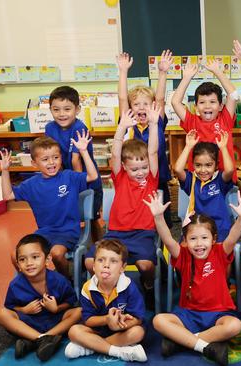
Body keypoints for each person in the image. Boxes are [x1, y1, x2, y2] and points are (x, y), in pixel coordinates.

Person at [143, 188, 241, 365]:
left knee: (235, 326)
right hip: (188, 314)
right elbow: (168, 240)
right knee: (159, 320)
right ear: (185, 241)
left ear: (213, 239)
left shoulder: (220, 251)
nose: (199, 244)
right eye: (193, 239)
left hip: (218, 314)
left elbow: (233, 237)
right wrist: (158, 217)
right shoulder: (183, 255)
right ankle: (204, 346)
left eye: (204, 238)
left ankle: (183, 342)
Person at [84, 104, 161, 308]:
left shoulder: (151, 179)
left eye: (143, 167)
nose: (140, 172)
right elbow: (116, 154)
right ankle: (112, 290)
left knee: (146, 266)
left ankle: (148, 287)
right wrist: (122, 128)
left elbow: (152, 152)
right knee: (90, 262)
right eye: (135, 168)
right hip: (116, 235)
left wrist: (153, 124)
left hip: (143, 235)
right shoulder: (120, 178)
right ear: (125, 168)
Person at [0, 134, 98, 276]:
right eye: (45, 159)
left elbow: (92, 176)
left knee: (56, 254)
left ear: (61, 158)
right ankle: (34, 284)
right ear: (34, 163)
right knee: (15, 255)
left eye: (55, 157)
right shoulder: (31, 184)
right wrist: (5, 171)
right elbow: (7, 196)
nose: (51, 162)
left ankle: (66, 280)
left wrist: (83, 151)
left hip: (68, 232)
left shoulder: (69, 177)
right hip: (44, 233)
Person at [0, 234, 81, 361]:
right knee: (1, 314)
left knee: (79, 312)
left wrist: (56, 308)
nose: (29, 263)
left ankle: (33, 340)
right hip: (30, 322)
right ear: (18, 264)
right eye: (23, 259)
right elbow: (11, 307)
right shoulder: (15, 285)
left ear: (47, 259)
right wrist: (24, 310)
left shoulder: (59, 280)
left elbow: (71, 302)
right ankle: (43, 339)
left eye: (35, 257)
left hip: (54, 320)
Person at [65, 239, 147, 362]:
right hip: (98, 330)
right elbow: (88, 320)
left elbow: (138, 318)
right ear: (93, 265)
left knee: (138, 332)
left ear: (122, 268)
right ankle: (119, 351)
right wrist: (107, 320)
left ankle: (89, 347)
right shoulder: (87, 288)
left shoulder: (129, 287)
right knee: (74, 331)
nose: (106, 265)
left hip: (121, 331)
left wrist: (118, 325)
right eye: (100, 260)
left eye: (113, 261)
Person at [117, 50, 173, 225]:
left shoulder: (156, 120)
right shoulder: (128, 122)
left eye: (146, 104)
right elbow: (121, 98)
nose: (141, 107)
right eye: (136, 104)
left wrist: (162, 73)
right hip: (134, 179)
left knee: (162, 220)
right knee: (140, 217)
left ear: (153, 106)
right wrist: (123, 72)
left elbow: (161, 98)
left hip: (158, 178)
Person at [45, 85, 104, 241]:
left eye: (67, 109)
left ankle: (99, 246)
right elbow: (52, 154)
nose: (61, 114)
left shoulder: (79, 128)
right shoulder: (50, 128)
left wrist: (77, 187)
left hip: (86, 180)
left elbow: (75, 160)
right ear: (50, 109)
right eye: (56, 109)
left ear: (77, 109)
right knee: (70, 216)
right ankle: (74, 245)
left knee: (91, 217)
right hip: (65, 178)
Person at [171, 57, 238, 181]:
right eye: (202, 102)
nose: (207, 106)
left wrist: (218, 72)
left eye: (212, 102)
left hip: (224, 180)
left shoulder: (225, 119)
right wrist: (186, 78)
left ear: (220, 106)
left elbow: (233, 95)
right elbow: (175, 102)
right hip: (199, 181)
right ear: (196, 107)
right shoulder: (192, 122)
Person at [173, 130, 234, 242]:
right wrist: (188, 146)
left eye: (208, 165)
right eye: (198, 165)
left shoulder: (220, 180)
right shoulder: (191, 180)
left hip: (219, 230)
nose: (203, 170)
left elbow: (230, 170)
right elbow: (177, 169)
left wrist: (224, 148)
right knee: (182, 249)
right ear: (193, 165)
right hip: (197, 229)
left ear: (216, 165)